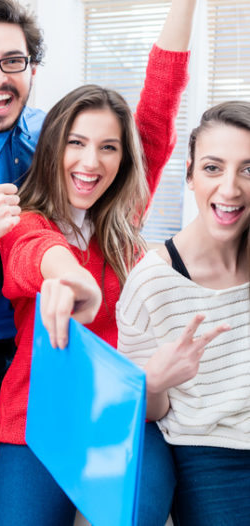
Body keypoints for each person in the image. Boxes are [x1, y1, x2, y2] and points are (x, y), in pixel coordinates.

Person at [0, 0, 192, 524]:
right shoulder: (13, 211)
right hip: (20, 392)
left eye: (106, 147)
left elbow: (158, 105)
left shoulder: (123, 209)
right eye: (77, 144)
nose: (89, 160)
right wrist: (66, 277)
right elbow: (33, 256)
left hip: (116, 406)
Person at [117, 101, 250, 525]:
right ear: (190, 174)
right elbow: (149, 411)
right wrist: (154, 381)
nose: (230, 189)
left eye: (248, 169)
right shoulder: (153, 283)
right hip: (212, 457)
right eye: (214, 168)